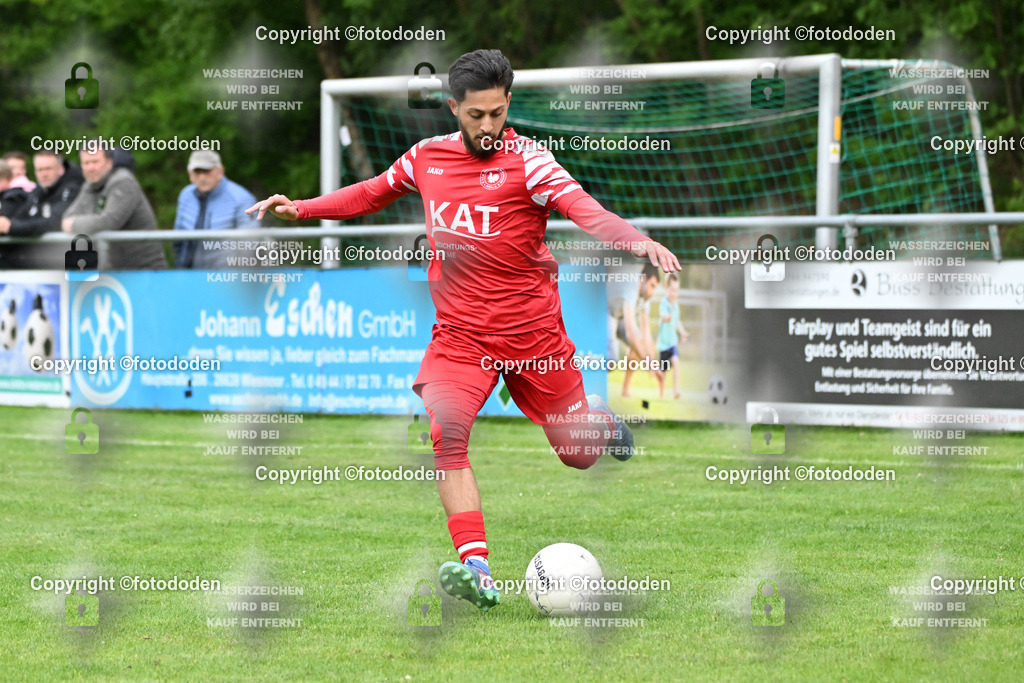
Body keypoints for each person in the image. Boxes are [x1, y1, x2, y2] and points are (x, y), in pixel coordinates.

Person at [247, 49, 680, 612]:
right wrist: (301, 209)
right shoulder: (426, 158)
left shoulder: (531, 162)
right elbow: (371, 192)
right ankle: (478, 568)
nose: (488, 127)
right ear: (454, 107)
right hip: (461, 337)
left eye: (498, 113)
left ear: (508, 106)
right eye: (476, 115)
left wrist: (635, 240)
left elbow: (582, 208)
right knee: (446, 435)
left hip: (534, 339)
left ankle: (597, 422)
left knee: (576, 455)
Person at [61, 146, 167, 270]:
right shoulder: (89, 186)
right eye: (86, 163)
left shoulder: (123, 181)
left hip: (145, 270)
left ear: (109, 162)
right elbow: (67, 217)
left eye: (95, 162)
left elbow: (109, 221)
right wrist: (80, 222)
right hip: (115, 272)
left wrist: (74, 225)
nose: (91, 168)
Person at [173, 150, 257, 268]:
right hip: (188, 277)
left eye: (207, 171)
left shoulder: (242, 199)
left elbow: (249, 246)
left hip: (225, 279)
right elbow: (178, 240)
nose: (202, 177)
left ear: (220, 171)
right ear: (190, 174)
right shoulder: (185, 196)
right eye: (197, 171)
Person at [0, 151, 84, 269]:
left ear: (60, 169)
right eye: (40, 170)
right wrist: (7, 224)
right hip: (37, 261)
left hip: (62, 262)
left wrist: (11, 227)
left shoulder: (72, 189)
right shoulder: (39, 190)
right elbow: (21, 216)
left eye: (48, 169)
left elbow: (53, 222)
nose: (44, 174)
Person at [609, 263, 662, 397]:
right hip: (607, 311)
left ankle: (625, 390)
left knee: (639, 344)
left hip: (620, 316)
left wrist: (653, 364)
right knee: (611, 360)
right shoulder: (631, 287)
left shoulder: (645, 298)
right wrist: (647, 363)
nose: (653, 291)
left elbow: (646, 334)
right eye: (652, 286)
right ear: (643, 279)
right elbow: (631, 331)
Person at [655, 273, 688, 399]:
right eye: (672, 290)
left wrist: (683, 332)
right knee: (662, 374)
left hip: (672, 343)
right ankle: (661, 393)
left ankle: (675, 391)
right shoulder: (664, 303)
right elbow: (663, 315)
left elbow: (677, 322)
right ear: (667, 288)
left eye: (677, 290)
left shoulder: (676, 306)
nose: (675, 293)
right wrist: (666, 317)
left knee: (676, 362)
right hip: (663, 345)